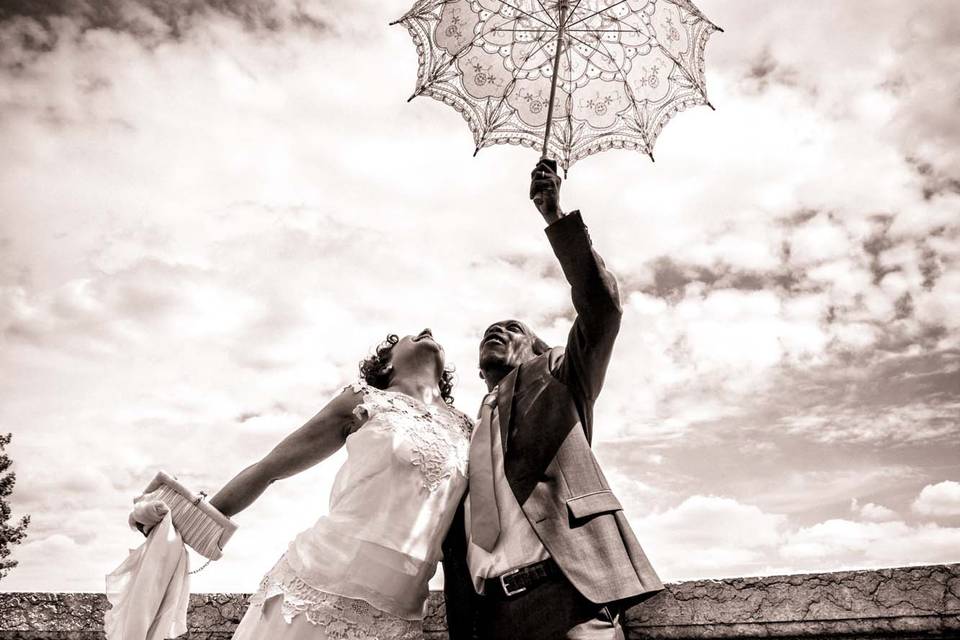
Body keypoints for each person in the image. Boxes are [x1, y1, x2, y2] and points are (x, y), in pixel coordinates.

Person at [440, 159, 664, 640]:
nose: (497, 330)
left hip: (569, 603)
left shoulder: (561, 379)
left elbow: (602, 309)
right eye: (488, 330)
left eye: (513, 328)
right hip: (491, 619)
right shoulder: (460, 428)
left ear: (539, 349)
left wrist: (555, 217)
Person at [142, 329, 473, 639]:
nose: (427, 329)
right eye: (407, 335)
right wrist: (182, 522)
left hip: (399, 611)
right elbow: (268, 469)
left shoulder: (469, 428)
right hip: (316, 586)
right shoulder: (365, 399)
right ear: (387, 363)